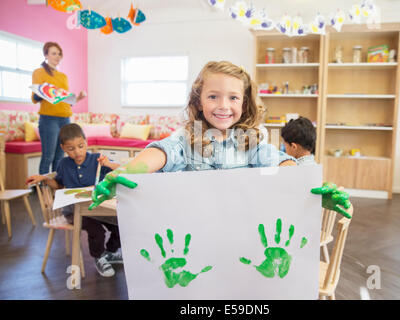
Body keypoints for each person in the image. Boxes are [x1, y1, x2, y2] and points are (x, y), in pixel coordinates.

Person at [89, 61, 352, 218]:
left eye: (233, 97)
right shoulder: (187, 137)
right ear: (199, 101)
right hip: (194, 234)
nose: (223, 105)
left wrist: (307, 188)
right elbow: (161, 152)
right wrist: (126, 172)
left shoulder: (252, 142)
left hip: (241, 235)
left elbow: (281, 163)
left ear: (244, 102)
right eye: (213, 96)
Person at [26, 124, 123, 277]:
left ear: (86, 142)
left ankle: (109, 253)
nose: (77, 152)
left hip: (97, 208)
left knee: (119, 225)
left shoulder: (97, 159)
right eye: (71, 149)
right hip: (74, 211)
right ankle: (99, 257)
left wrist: (109, 164)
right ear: (63, 148)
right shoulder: (64, 164)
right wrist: (44, 179)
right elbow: (58, 184)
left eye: (80, 146)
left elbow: (120, 170)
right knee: (96, 230)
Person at [31, 41, 86, 174]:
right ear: (46, 55)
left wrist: (78, 98)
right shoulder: (39, 72)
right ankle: (43, 189)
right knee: (48, 156)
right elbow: (35, 97)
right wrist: (45, 90)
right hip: (49, 119)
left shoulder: (63, 76)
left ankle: (57, 187)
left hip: (65, 118)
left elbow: (65, 100)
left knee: (60, 157)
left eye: (59, 54)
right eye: (54, 53)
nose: (57, 56)